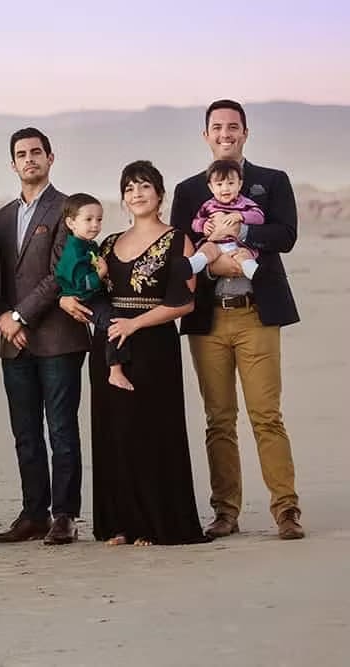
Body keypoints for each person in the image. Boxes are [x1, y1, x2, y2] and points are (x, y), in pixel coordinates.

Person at [169, 98, 304, 540]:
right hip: (209, 321)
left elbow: (285, 235)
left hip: (258, 316)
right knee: (219, 418)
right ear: (205, 135)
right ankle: (225, 511)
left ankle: (286, 509)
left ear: (245, 132)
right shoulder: (189, 190)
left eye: (233, 127)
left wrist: (240, 231)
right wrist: (213, 263)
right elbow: (178, 250)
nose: (225, 134)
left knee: (266, 415)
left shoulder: (272, 181)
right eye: (217, 127)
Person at [62, 160, 207, 546]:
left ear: (160, 194)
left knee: (151, 431)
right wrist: (66, 299)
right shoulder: (106, 243)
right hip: (109, 346)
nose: (136, 194)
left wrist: (135, 324)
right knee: (116, 433)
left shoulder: (178, 240)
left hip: (153, 344)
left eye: (144, 186)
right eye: (129, 188)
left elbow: (184, 302)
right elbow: (89, 287)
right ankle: (121, 523)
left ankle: (155, 524)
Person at [0, 128, 90, 547]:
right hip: (14, 341)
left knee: (61, 430)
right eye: (21, 154)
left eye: (36, 153)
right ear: (13, 164)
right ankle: (33, 514)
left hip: (58, 338)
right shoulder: (1, 218)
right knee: (25, 432)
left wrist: (19, 315)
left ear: (50, 157)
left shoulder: (69, 209)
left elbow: (59, 275)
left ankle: (64, 515)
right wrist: (1, 317)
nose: (29, 159)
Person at [54, 193, 135, 391]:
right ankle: (115, 371)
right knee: (113, 323)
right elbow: (81, 284)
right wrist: (101, 273)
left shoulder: (88, 244)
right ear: (71, 223)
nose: (95, 225)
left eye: (99, 220)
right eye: (88, 220)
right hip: (84, 298)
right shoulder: (73, 252)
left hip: (95, 294)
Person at [190, 158, 264, 280]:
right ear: (211, 187)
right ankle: (193, 265)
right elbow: (195, 222)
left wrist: (241, 216)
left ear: (239, 184)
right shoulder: (208, 205)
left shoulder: (244, 203)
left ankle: (254, 273)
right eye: (219, 184)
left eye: (230, 183)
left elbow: (259, 217)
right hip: (216, 245)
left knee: (244, 256)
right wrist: (203, 225)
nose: (225, 189)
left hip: (239, 245)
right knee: (207, 249)